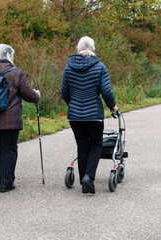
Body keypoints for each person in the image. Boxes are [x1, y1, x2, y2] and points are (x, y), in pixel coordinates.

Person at [0, 44, 41, 193]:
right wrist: (37, 95)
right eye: (13, 55)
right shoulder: (16, 73)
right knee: (8, 149)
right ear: (9, 55)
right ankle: (6, 183)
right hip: (9, 120)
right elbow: (29, 95)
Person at [61, 36, 118, 194]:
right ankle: (88, 177)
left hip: (74, 115)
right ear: (92, 48)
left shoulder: (68, 67)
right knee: (96, 145)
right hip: (94, 115)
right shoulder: (100, 67)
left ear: (78, 49)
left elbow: (64, 92)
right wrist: (112, 106)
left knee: (82, 146)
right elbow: (106, 91)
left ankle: (84, 182)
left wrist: (73, 104)